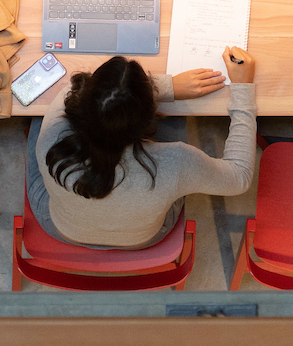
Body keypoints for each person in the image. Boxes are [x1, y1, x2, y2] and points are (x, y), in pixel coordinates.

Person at [26, 47, 256, 249]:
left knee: (37, 118)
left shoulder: (53, 135)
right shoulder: (176, 162)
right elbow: (239, 177)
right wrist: (243, 89)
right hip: (142, 238)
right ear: (149, 117)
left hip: (61, 228)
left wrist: (161, 88)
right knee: (177, 118)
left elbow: (70, 91)